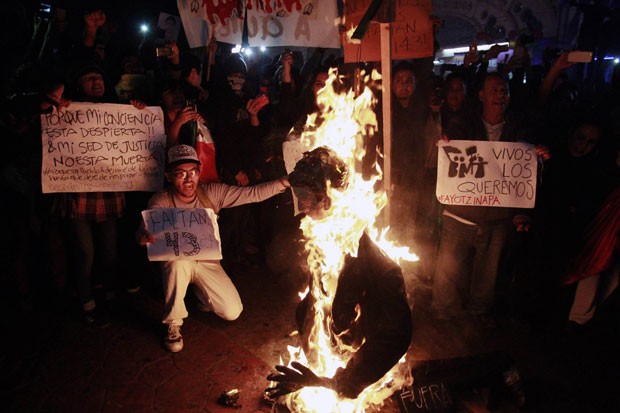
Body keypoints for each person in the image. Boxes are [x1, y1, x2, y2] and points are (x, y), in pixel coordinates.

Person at [265, 147, 412, 405]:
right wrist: (315, 365)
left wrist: (331, 382)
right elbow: (316, 304)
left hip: (358, 364)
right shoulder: (322, 238)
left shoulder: (382, 269)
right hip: (335, 343)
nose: (300, 205)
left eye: (307, 197)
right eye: (297, 194)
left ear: (330, 199)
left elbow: (396, 336)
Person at [136, 144, 290, 352]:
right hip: (177, 264)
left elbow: (251, 193)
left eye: (193, 173)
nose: (189, 180)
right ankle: (173, 323)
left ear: (199, 173)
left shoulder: (211, 193)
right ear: (169, 176)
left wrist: (283, 183)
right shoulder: (161, 200)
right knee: (178, 263)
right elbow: (145, 228)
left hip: (208, 262)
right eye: (180, 174)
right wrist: (143, 236)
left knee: (232, 311)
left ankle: (200, 293)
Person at [431, 72, 549, 328]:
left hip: (496, 217)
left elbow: (524, 169)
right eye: (494, 89)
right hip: (459, 213)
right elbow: (449, 153)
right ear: (482, 95)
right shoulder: (463, 123)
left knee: (488, 272)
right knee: (447, 270)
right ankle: (443, 318)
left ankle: (477, 318)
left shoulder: (520, 128)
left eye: (504, 89)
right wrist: (446, 143)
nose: (500, 94)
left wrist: (537, 154)